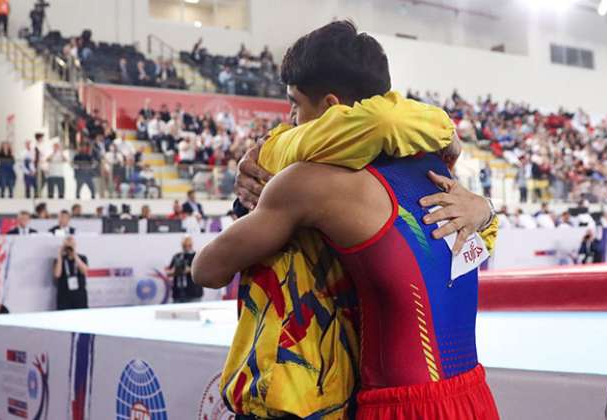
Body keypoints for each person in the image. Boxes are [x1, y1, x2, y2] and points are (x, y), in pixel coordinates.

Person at [194, 21, 498, 419]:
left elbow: (207, 269)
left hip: (397, 405)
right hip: (472, 394)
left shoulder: (312, 183)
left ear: (332, 110)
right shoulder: (438, 167)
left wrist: (263, 178)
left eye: (294, 106)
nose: (290, 121)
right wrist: (489, 206)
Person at [53, 236, 89, 310]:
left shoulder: (82, 258)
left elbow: (85, 271)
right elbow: (57, 274)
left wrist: (74, 255)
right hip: (64, 294)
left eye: (72, 244)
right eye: (67, 245)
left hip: (79, 294)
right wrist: (60, 254)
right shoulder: (59, 260)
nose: (69, 248)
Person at [165, 236, 202, 304]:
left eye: (189, 244)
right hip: (178, 294)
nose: (187, 247)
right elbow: (168, 272)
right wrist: (175, 272)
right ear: (182, 245)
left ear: (192, 244)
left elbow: (202, 271)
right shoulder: (177, 256)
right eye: (185, 245)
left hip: (194, 293)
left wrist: (190, 270)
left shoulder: (197, 256)